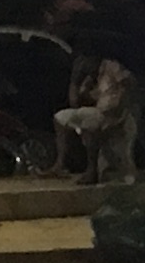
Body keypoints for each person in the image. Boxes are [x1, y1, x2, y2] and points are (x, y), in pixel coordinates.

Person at [53, 49, 137, 186]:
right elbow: (76, 102)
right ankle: (60, 165)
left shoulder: (112, 66)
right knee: (60, 118)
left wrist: (121, 104)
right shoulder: (92, 78)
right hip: (100, 112)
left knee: (90, 124)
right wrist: (78, 84)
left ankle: (91, 171)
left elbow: (129, 82)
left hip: (114, 114)